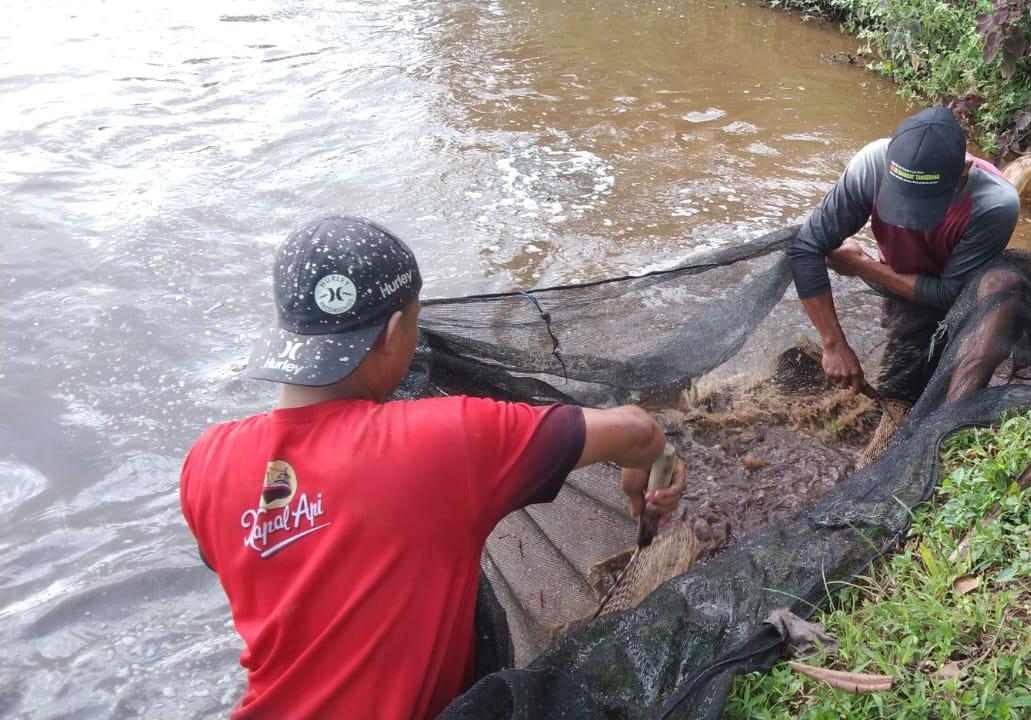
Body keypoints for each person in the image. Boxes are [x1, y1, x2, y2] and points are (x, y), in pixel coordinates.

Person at [179, 216, 684, 719]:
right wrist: (645, 466)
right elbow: (637, 431)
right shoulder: (442, 440)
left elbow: (264, 554)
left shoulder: (206, 462)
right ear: (396, 333)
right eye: (416, 318)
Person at [788, 106, 1022, 461]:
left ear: (962, 173)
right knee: (902, 368)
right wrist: (834, 345)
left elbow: (947, 294)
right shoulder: (872, 163)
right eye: (902, 202)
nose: (911, 220)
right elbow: (807, 247)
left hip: (957, 289)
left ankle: (946, 428)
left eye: (924, 206)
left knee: (999, 293)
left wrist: (863, 266)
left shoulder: (995, 204)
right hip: (902, 279)